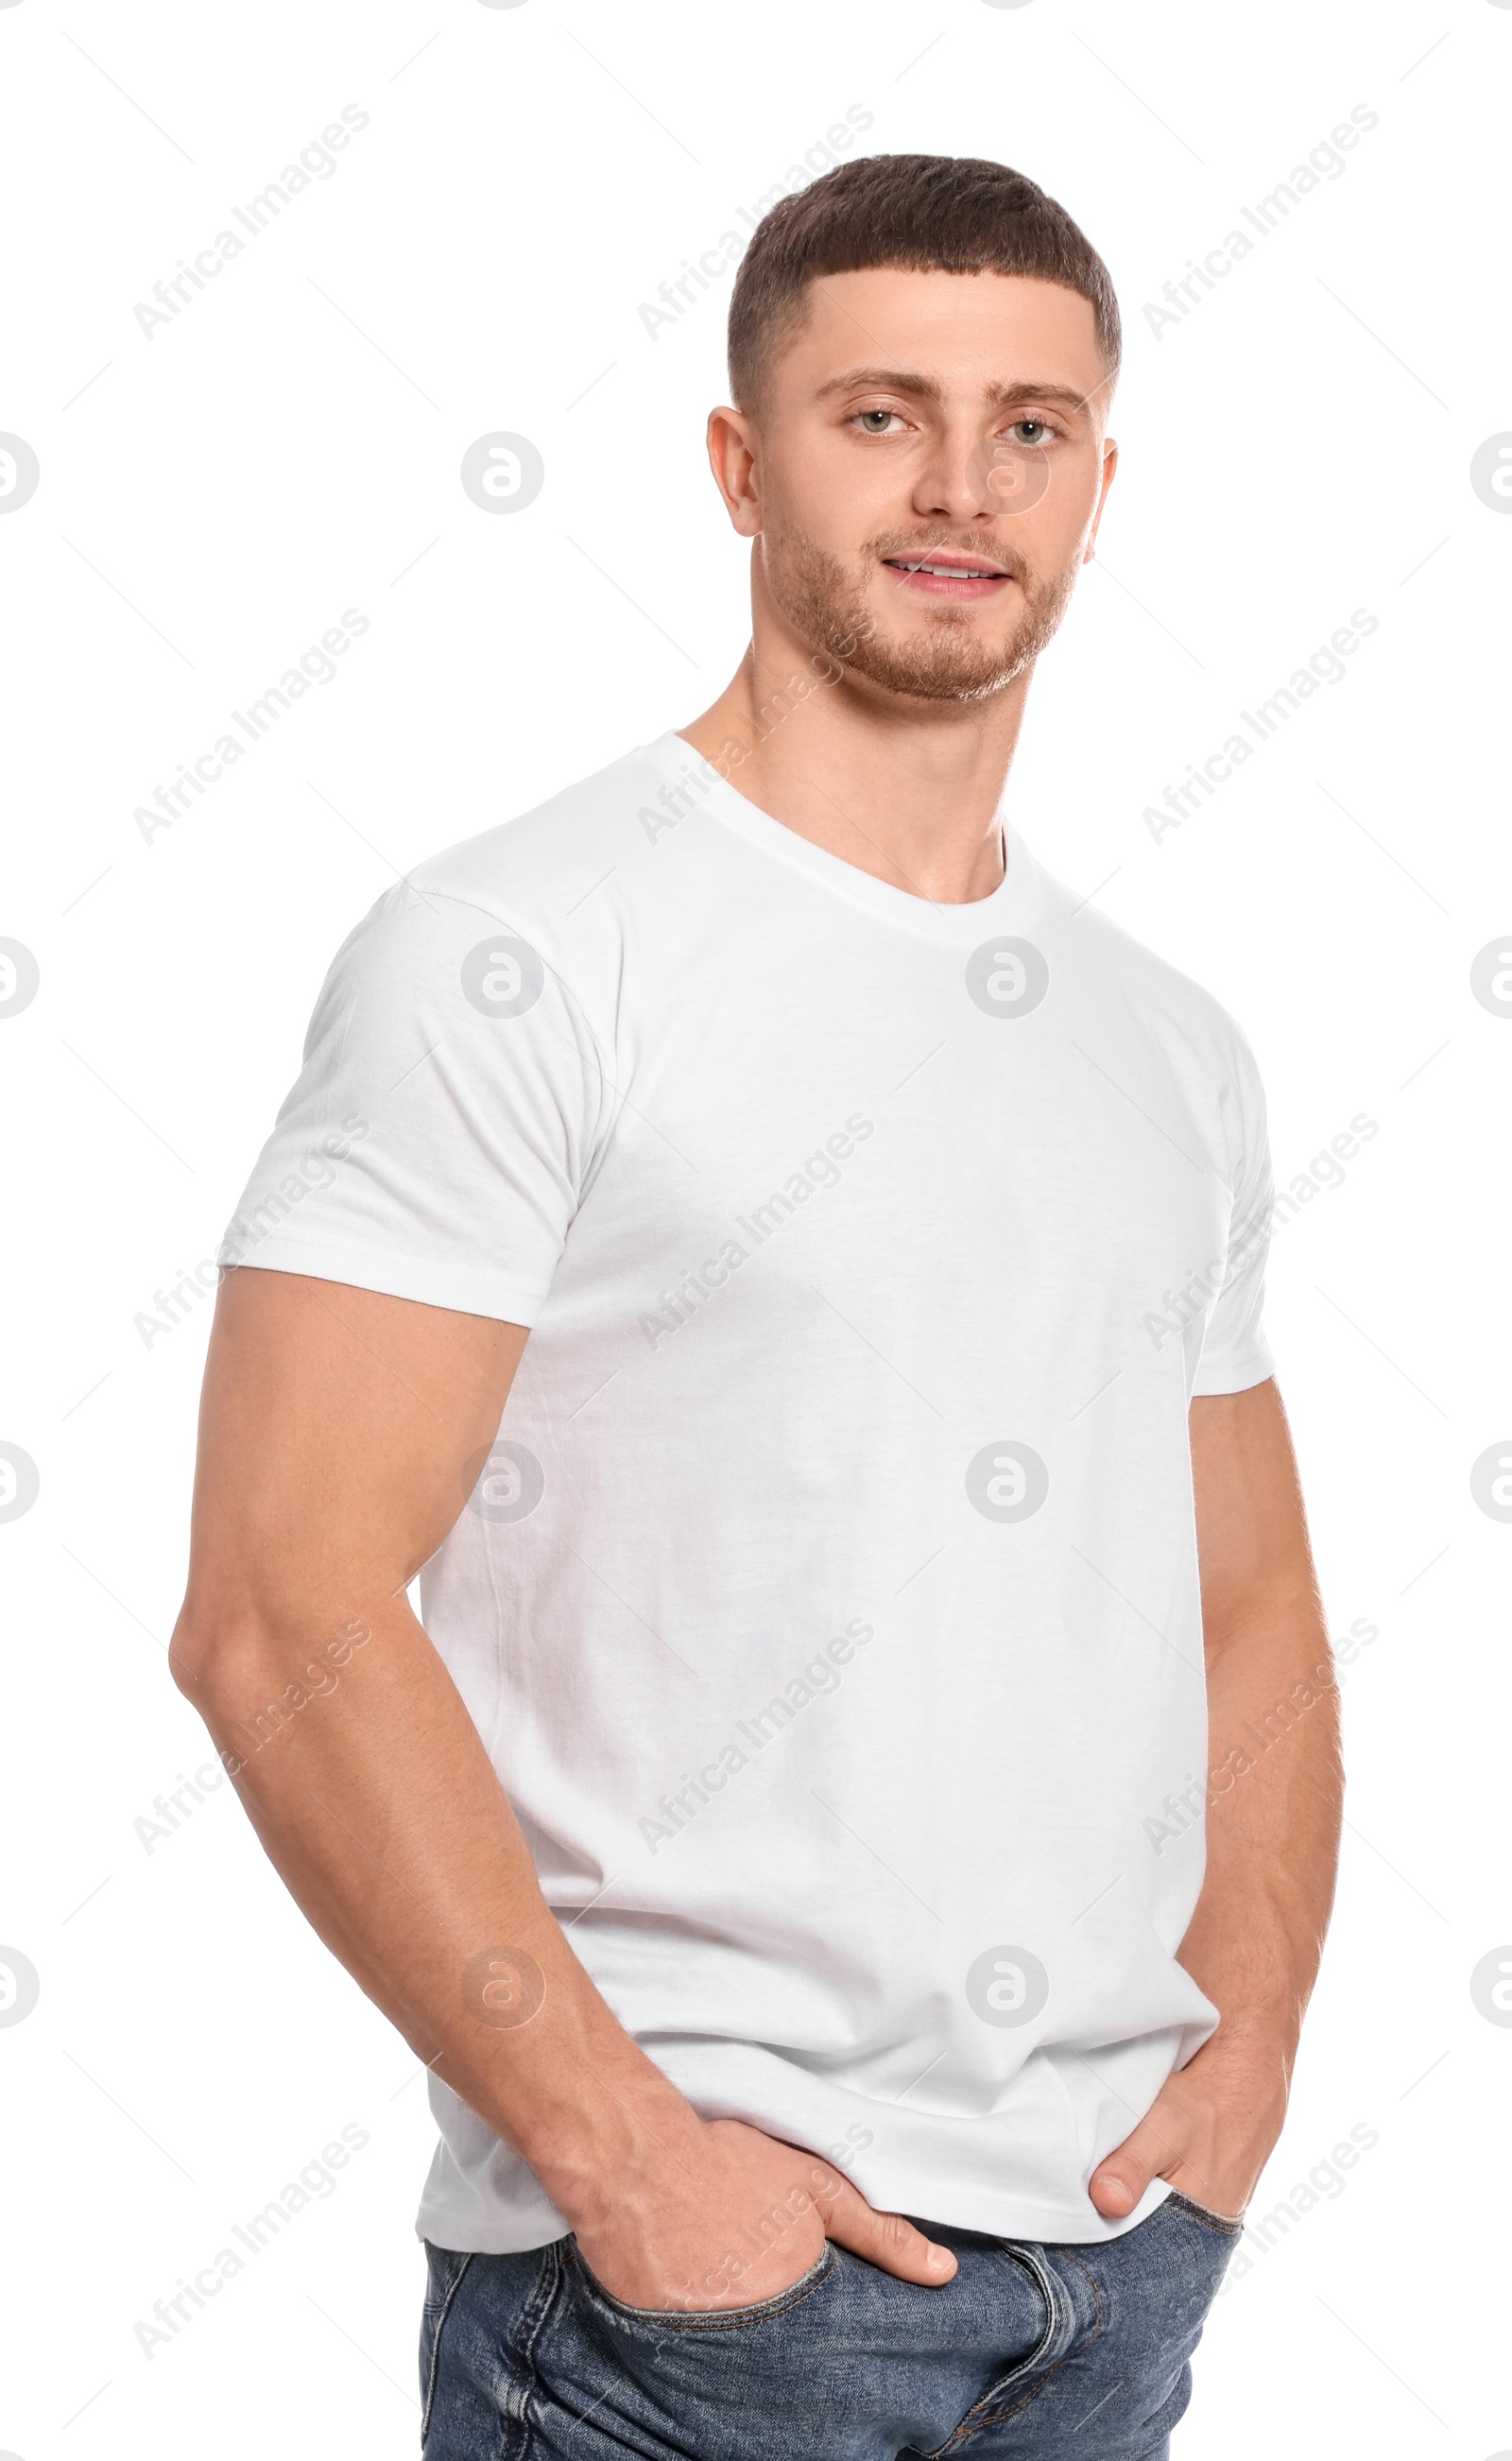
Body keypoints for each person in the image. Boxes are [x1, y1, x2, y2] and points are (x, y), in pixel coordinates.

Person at [171, 152, 1342, 2459]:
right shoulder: (516, 951)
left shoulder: (1164, 1044)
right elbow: (276, 1605)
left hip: (1108, 2285)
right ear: (735, 461)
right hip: (698, 2310)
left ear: (1099, 485)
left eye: (1026, 427)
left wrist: (1251, 2050)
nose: (957, 486)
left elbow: (1248, 1609)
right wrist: (614, 2157)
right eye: (876, 412)